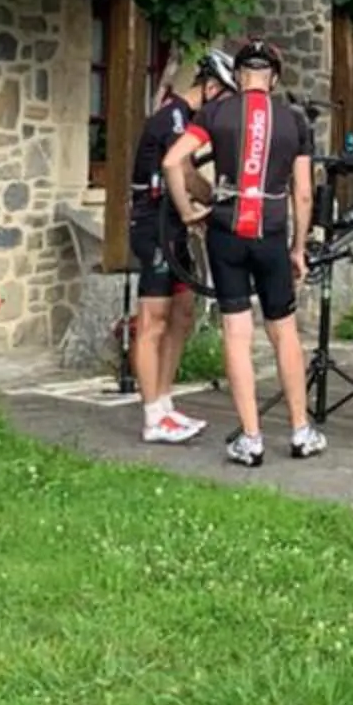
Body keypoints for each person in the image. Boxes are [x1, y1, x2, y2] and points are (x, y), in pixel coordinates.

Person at [164, 37, 323, 467]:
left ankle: (251, 438)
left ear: (238, 75)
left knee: (236, 331)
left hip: (226, 230)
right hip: (270, 230)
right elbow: (304, 193)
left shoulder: (216, 110)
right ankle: (300, 430)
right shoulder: (294, 120)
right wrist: (297, 248)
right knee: (283, 331)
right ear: (272, 77)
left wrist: (190, 208)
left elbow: (173, 161)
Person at [127, 46, 233, 444]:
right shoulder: (171, 116)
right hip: (153, 225)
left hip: (173, 225)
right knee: (153, 320)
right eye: (223, 97)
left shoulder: (185, 116)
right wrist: (217, 199)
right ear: (208, 86)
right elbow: (185, 171)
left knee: (183, 313)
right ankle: (152, 416)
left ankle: (165, 403)